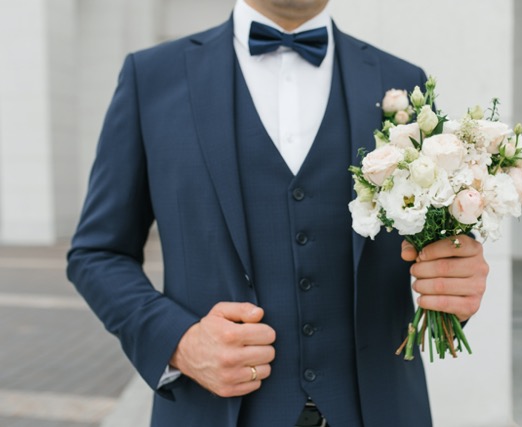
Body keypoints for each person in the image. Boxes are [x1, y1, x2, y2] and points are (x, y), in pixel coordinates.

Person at [66, 1, 488, 426]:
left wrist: (457, 276)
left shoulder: (402, 82)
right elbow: (98, 253)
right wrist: (179, 341)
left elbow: (432, 240)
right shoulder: (151, 78)